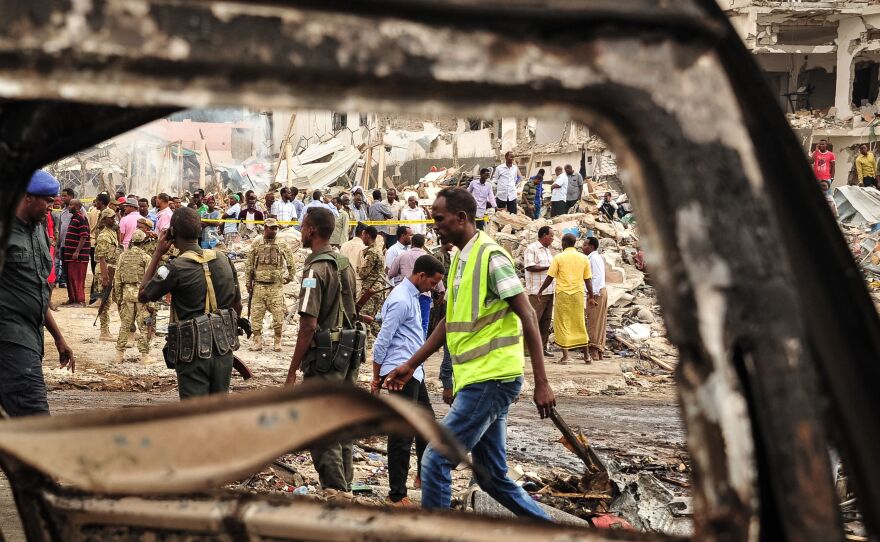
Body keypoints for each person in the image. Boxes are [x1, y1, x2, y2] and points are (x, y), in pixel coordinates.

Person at [383, 187, 555, 519]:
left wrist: (542, 383)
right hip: (475, 379)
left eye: (440, 218)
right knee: (493, 477)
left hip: (492, 379)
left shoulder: (492, 258)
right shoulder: (462, 259)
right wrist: (411, 364)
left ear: (462, 218)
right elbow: (451, 322)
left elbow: (528, 315)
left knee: (435, 458)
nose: (435, 225)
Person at [285, 208, 361, 495]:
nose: (301, 231)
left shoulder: (315, 269)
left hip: (325, 358)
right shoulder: (345, 264)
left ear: (312, 230)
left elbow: (308, 324)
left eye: (303, 226)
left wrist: (293, 369)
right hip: (348, 354)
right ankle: (345, 484)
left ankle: (334, 489)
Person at [139, 207, 244, 399]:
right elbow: (237, 306)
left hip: (193, 353)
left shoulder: (174, 268)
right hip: (223, 349)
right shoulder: (224, 260)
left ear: (172, 233)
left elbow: (143, 294)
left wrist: (157, 253)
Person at [0, 171, 75, 416]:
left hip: (32, 338)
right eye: (47, 201)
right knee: (35, 415)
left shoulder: (38, 230)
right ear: (28, 198)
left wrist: (58, 337)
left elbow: (37, 290)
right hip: (11, 338)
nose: (51, 207)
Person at [371, 255, 444, 507]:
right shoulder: (402, 299)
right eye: (432, 282)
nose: (433, 288)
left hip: (414, 371)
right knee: (402, 433)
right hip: (399, 373)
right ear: (421, 275)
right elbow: (383, 338)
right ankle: (396, 495)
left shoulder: (414, 296)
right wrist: (376, 376)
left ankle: (423, 476)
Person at [538, 233, 595, 364]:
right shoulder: (583, 258)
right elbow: (588, 280)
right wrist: (591, 296)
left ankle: (565, 356)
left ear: (563, 243)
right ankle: (587, 356)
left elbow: (550, 277)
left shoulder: (558, 257)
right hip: (578, 294)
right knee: (579, 323)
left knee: (563, 323)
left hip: (563, 294)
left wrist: (541, 290)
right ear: (575, 243)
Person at [245, 218, 295, 352]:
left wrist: (290, 277)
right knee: (256, 315)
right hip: (259, 286)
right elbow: (249, 263)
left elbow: (290, 261)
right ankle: (257, 341)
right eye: (271, 228)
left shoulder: (281, 243)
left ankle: (277, 342)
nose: (274, 230)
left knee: (278, 316)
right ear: (265, 228)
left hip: (275, 286)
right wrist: (248, 282)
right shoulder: (257, 243)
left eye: (275, 228)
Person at [388, 234, 444, 338]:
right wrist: (441, 291)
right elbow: (436, 280)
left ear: (412, 243)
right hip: (424, 296)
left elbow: (391, 273)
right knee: (422, 325)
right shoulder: (429, 259)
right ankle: (419, 350)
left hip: (404, 295)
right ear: (423, 244)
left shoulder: (402, 256)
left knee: (403, 325)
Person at [114, 230, 155, 364]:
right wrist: (151, 301)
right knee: (143, 326)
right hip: (141, 295)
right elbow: (150, 281)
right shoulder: (146, 257)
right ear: (144, 242)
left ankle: (119, 355)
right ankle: (144, 356)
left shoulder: (123, 256)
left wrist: (118, 298)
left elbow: (118, 279)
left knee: (125, 325)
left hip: (127, 294)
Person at [524, 226, 555, 357]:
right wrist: (550, 267)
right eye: (551, 236)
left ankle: (542, 347)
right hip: (537, 291)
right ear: (543, 235)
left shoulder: (548, 251)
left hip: (549, 290)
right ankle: (527, 349)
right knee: (534, 320)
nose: (553, 238)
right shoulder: (532, 249)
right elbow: (530, 266)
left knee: (546, 321)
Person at [94, 208, 120, 341]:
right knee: (105, 301)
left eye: (114, 216)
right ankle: (104, 331)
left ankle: (107, 329)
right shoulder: (104, 236)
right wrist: (105, 277)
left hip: (111, 269)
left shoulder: (112, 233)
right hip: (105, 270)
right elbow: (102, 257)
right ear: (104, 219)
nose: (113, 219)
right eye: (110, 217)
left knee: (111, 300)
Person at [358, 225, 387, 340]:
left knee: (364, 317)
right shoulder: (378, 250)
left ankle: (383, 339)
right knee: (371, 318)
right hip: (378, 288)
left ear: (368, 236)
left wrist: (358, 270)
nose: (362, 238)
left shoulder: (372, 253)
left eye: (364, 236)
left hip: (370, 289)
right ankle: (382, 339)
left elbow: (363, 273)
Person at [583, 237, 608, 361]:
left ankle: (594, 350)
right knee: (598, 321)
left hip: (596, 293)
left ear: (591, 246)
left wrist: (592, 296)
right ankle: (598, 351)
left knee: (593, 322)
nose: (583, 247)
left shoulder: (594, 259)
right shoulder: (593, 258)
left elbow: (596, 278)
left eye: (585, 245)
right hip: (597, 292)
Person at [62, 199, 91, 306]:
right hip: (70, 255)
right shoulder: (74, 218)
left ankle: (80, 300)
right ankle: (73, 299)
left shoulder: (81, 218)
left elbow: (84, 236)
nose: (69, 207)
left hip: (78, 256)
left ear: (77, 207)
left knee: (78, 278)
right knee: (71, 278)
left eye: (71, 205)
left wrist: (77, 251)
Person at [87, 192, 111, 304]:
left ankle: (96, 298)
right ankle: (97, 298)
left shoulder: (96, 212)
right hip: (98, 245)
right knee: (98, 272)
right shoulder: (105, 212)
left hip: (96, 244)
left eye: (97, 201)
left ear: (101, 202)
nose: (95, 202)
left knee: (98, 272)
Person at [340, 222, 366, 291]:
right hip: (357, 283)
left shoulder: (344, 245)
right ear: (363, 233)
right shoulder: (364, 248)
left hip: (343, 281)